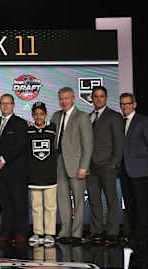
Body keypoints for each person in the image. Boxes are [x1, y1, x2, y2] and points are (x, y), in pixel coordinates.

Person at [51, 87, 93, 245]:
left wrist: (84, 167)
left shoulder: (82, 117)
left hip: (76, 165)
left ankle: (76, 233)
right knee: (62, 200)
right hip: (59, 162)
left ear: (73, 99)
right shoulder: (56, 116)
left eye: (67, 98)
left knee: (78, 200)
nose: (64, 101)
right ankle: (65, 231)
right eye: (61, 98)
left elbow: (88, 146)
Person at [0, 94, 28, 244]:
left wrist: (4, 159)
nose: (5, 106)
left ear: (13, 105)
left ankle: (21, 232)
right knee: (4, 204)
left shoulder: (20, 123)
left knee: (19, 203)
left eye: (8, 103)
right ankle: (6, 231)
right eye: (2, 103)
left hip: (16, 171)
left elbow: (20, 145)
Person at [86, 86, 125, 245]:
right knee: (94, 201)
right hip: (91, 167)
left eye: (101, 96)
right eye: (95, 96)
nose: (98, 99)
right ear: (92, 98)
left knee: (111, 200)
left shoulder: (114, 116)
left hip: (107, 166)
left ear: (106, 98)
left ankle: (112, 232)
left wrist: (114, 163)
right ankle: (96, 232)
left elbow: (120, 143)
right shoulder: (88, 117)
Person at [119, 92, 148, 246]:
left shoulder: (144, 121)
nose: (124, 107)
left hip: (140, 171)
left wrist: (141, 162)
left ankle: (141, 235)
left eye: (127, 103)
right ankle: (132, 233)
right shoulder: (120, 122)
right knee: (129, 204)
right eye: (122, 104)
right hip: (124, 171)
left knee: (142, 204)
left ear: (134, 104)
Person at [26, 101, 57, 247]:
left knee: (50, 205)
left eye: (41, 114)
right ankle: (37, 232)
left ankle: (50, 233)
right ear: (32, 115)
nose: (39, 117)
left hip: (50, 174)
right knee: (36, 205)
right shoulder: (28, 131)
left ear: (46, 115)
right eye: (36, 114)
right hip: (33, 174)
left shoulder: (52, 129)